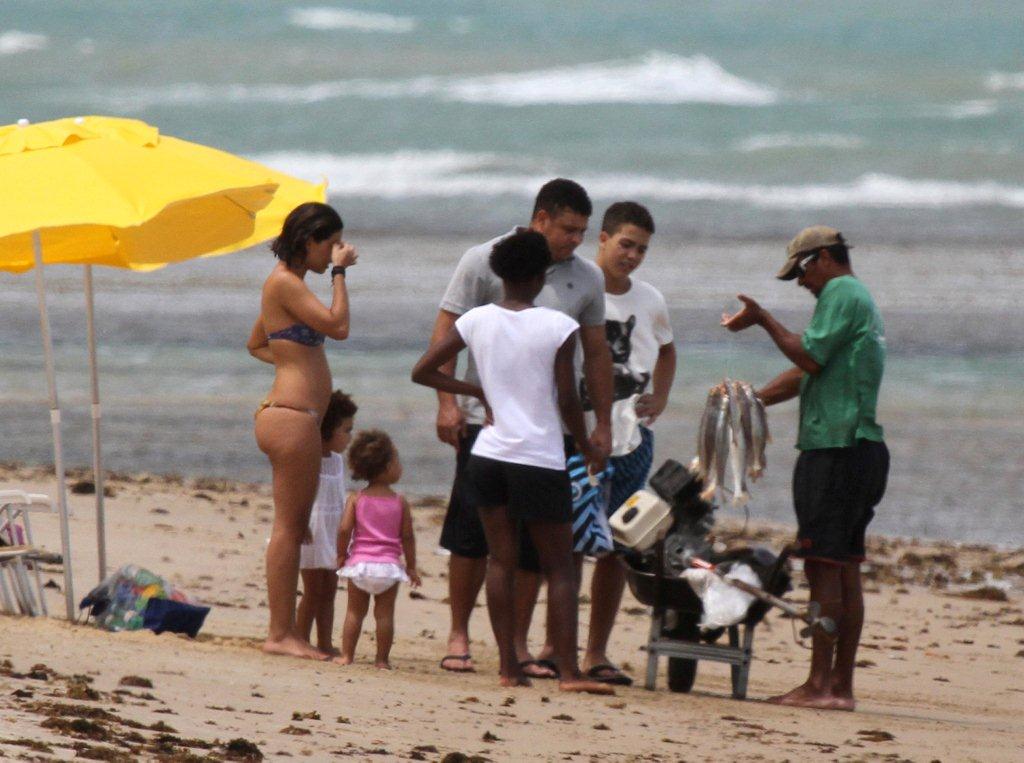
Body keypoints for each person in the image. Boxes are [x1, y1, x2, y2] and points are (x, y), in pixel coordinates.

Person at [413, 230, 613, 694]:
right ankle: (568, 673)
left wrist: (474, 392)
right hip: (539, 456)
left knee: (499, 561)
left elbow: (423, 371)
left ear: (499, 273)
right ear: (542, 275)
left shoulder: (477, 320)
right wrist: (585, 444)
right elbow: (566, 395)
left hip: (488, 453)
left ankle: (508, 668)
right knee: (559, 566)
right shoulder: (557, 327)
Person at [722, 226, 888, 711]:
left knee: (822, 566)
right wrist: (751, 400)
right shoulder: (860, 300)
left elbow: (807, 356)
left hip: (834, 450)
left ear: (822, 259)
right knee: (845, 568)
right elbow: (809, 371)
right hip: (863, 449)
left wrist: (762, 319)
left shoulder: (840, 291)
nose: (800, 282)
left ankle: (818, 685)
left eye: (800, 270)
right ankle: (841, 688)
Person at [247, 201, 358, 661]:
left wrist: (295, 361)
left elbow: (257, 343)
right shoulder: (285, 283)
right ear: (310, 241)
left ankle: (285, 630)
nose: (335, 250)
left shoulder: (285, 288)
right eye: (330, 243)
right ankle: (280, 633)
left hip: (292, 413)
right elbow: (339, 326)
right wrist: (339, 274)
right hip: (291, 416)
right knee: (290, 529)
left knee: (295, 528)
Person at [580, 201, 676, 686]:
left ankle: (596, 652)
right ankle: (554, 648)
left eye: (641, 249)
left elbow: (667, 349)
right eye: (625, 244)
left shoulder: (651, 299)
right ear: (602, 238)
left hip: (632, 440)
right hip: (576, 439)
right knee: (565, 544)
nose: (633, 255)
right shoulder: (574, 288)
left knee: (618, 548)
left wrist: (660, 396)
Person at [336, 430, 421, 669]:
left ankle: (346, 656)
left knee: (354, 613)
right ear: (385, 467)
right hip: (388, 567)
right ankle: (382, 660)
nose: (400, 466)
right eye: (396, 461)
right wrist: (412, 567)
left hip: (360, 565)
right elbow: (407, 537)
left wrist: (342, 554)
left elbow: (344, 530)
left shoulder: (357, 498)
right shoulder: (399, 501)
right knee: (384, 616)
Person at [296, 389, 357, 656]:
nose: (349, 437)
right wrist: (300, 523)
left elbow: (340, 497)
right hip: (311, 530)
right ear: (327, 429)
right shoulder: (307, 458)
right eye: (346, 430)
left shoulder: (337, 461)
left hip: (331, 532)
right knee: (312, 590)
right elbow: (297, 494)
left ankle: (324, 641)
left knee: (330, 590)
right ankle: (299, 638)